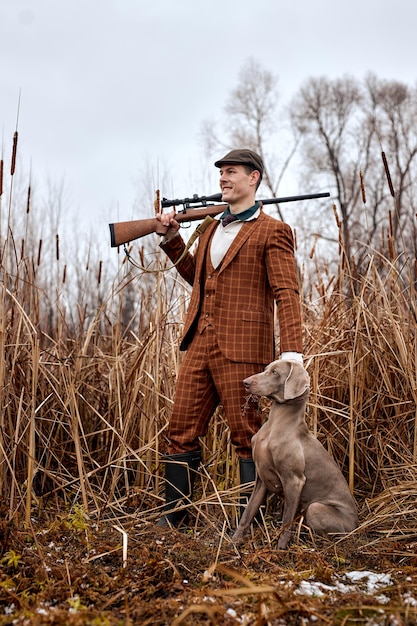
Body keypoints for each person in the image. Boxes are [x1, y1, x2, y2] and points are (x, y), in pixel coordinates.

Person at [156, 148, 303, 527]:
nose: (223, 177)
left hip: (244, 350)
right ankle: (175, 520)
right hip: (199, 343)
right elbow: (200, 280)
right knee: (180, 429)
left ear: (253, 178)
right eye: (221, 172)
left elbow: (287, 293)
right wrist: (173, 239)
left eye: (231, 171)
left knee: (248, 437)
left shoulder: (273, 231)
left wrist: (293, 354)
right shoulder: (208, 228)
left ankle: (247, 525)